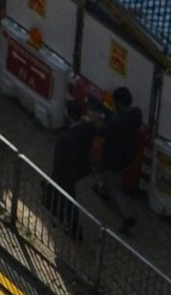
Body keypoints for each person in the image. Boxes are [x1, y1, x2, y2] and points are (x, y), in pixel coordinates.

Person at [89, 86, 144, 232]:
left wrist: (90, 125)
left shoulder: (116, 122)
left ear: (119, 103)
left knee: (113, 184)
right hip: (127, 155)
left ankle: (128, 216)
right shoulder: (137, 113)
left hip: (113, 158)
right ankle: (103, 190)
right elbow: (116, 118)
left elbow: (104, 131)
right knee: (110, 179)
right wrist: (104, 117)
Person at [45, 96, 99, 235]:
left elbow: (58, 161)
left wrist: (56, 175)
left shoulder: (65, 138)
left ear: (68, 115)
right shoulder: (88, 128)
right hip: (80, 167)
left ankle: (73, 226)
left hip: (66, 172)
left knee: (68, 196)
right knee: (65, 192)